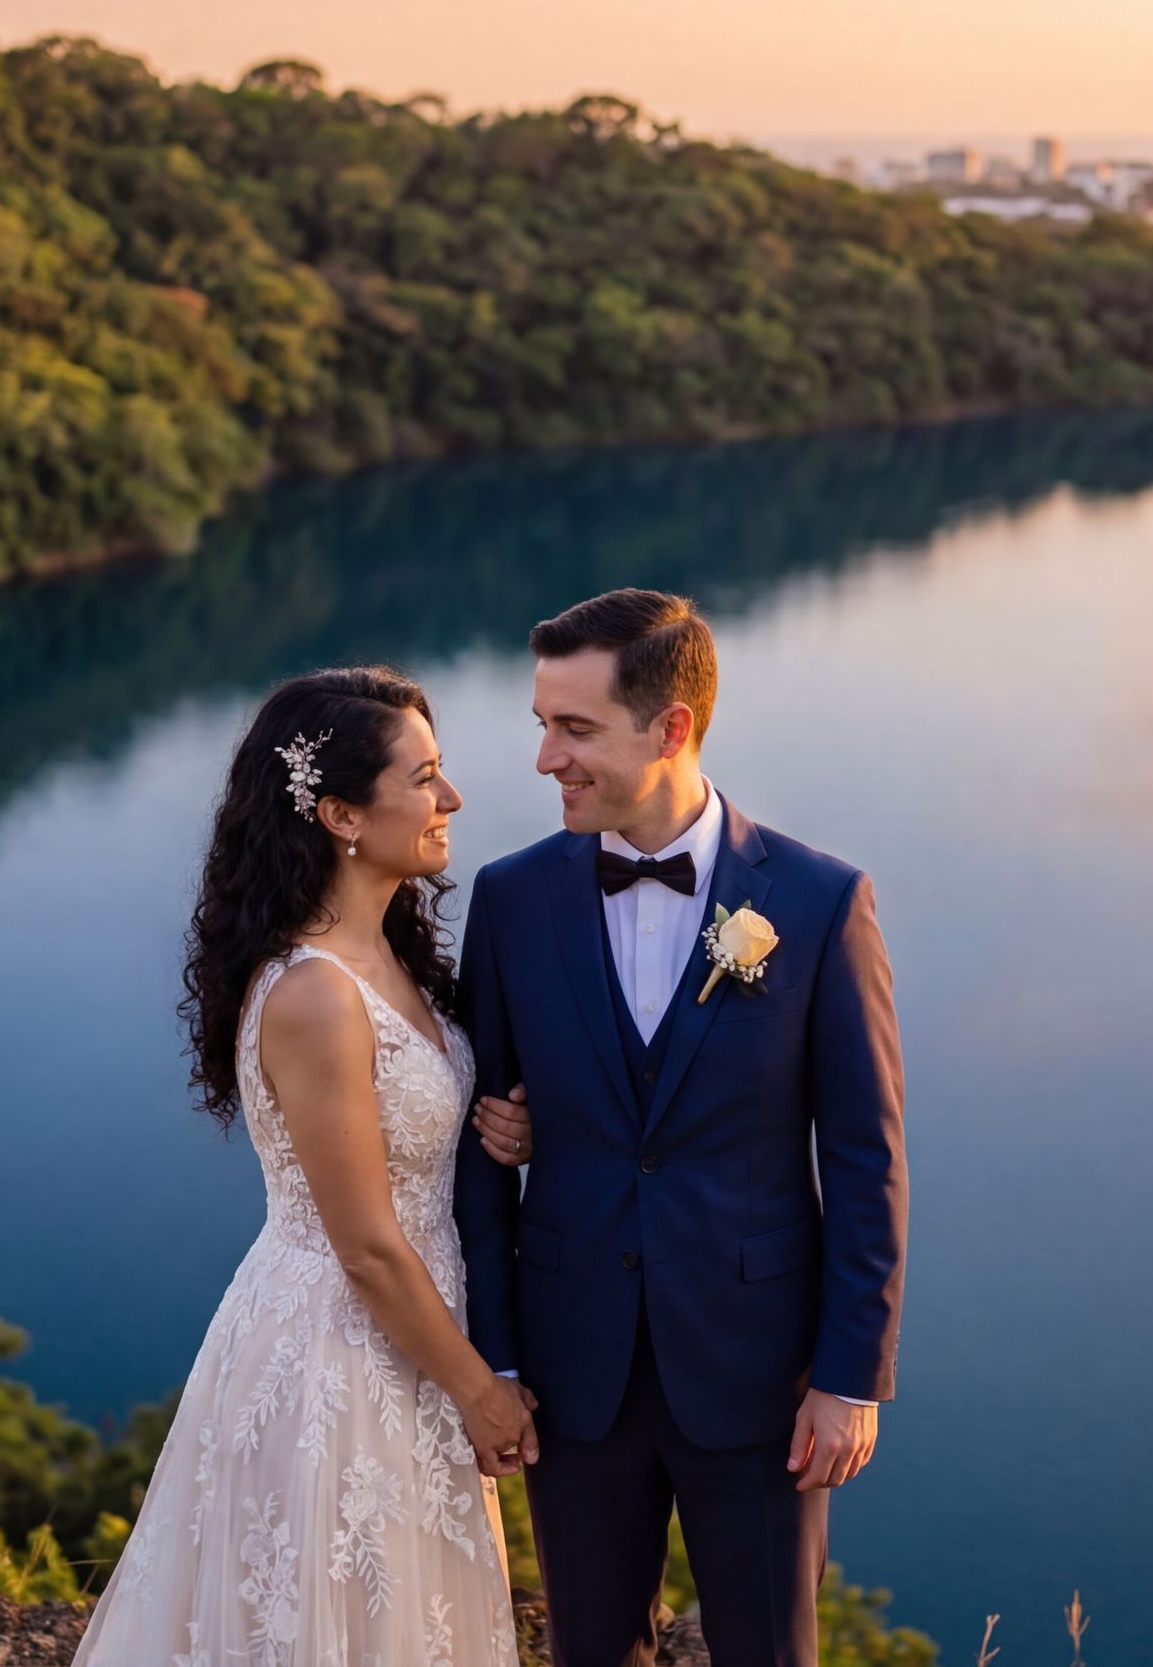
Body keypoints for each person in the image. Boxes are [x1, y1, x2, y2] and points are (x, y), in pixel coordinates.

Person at [454, 590, 909, 1667]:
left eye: (574, 730)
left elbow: (865, 1157)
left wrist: (852, 1377)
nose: (544, 762)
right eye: (541, 726)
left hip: (761, 1376)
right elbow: (481, 1151)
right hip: (573, 1375)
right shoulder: (510, 900)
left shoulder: (819, 899)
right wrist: (497, 1358)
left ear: (672, 729)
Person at [72, 665, 540, 1667]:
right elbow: (367, 1245)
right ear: (337, 814)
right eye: (423, 779)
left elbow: (426, 1128)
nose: (450, 799)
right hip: (346, 1349)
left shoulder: (395, 960)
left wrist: (504, 1128)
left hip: (411, 1337)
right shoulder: (316, 994)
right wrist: (480, 1391)